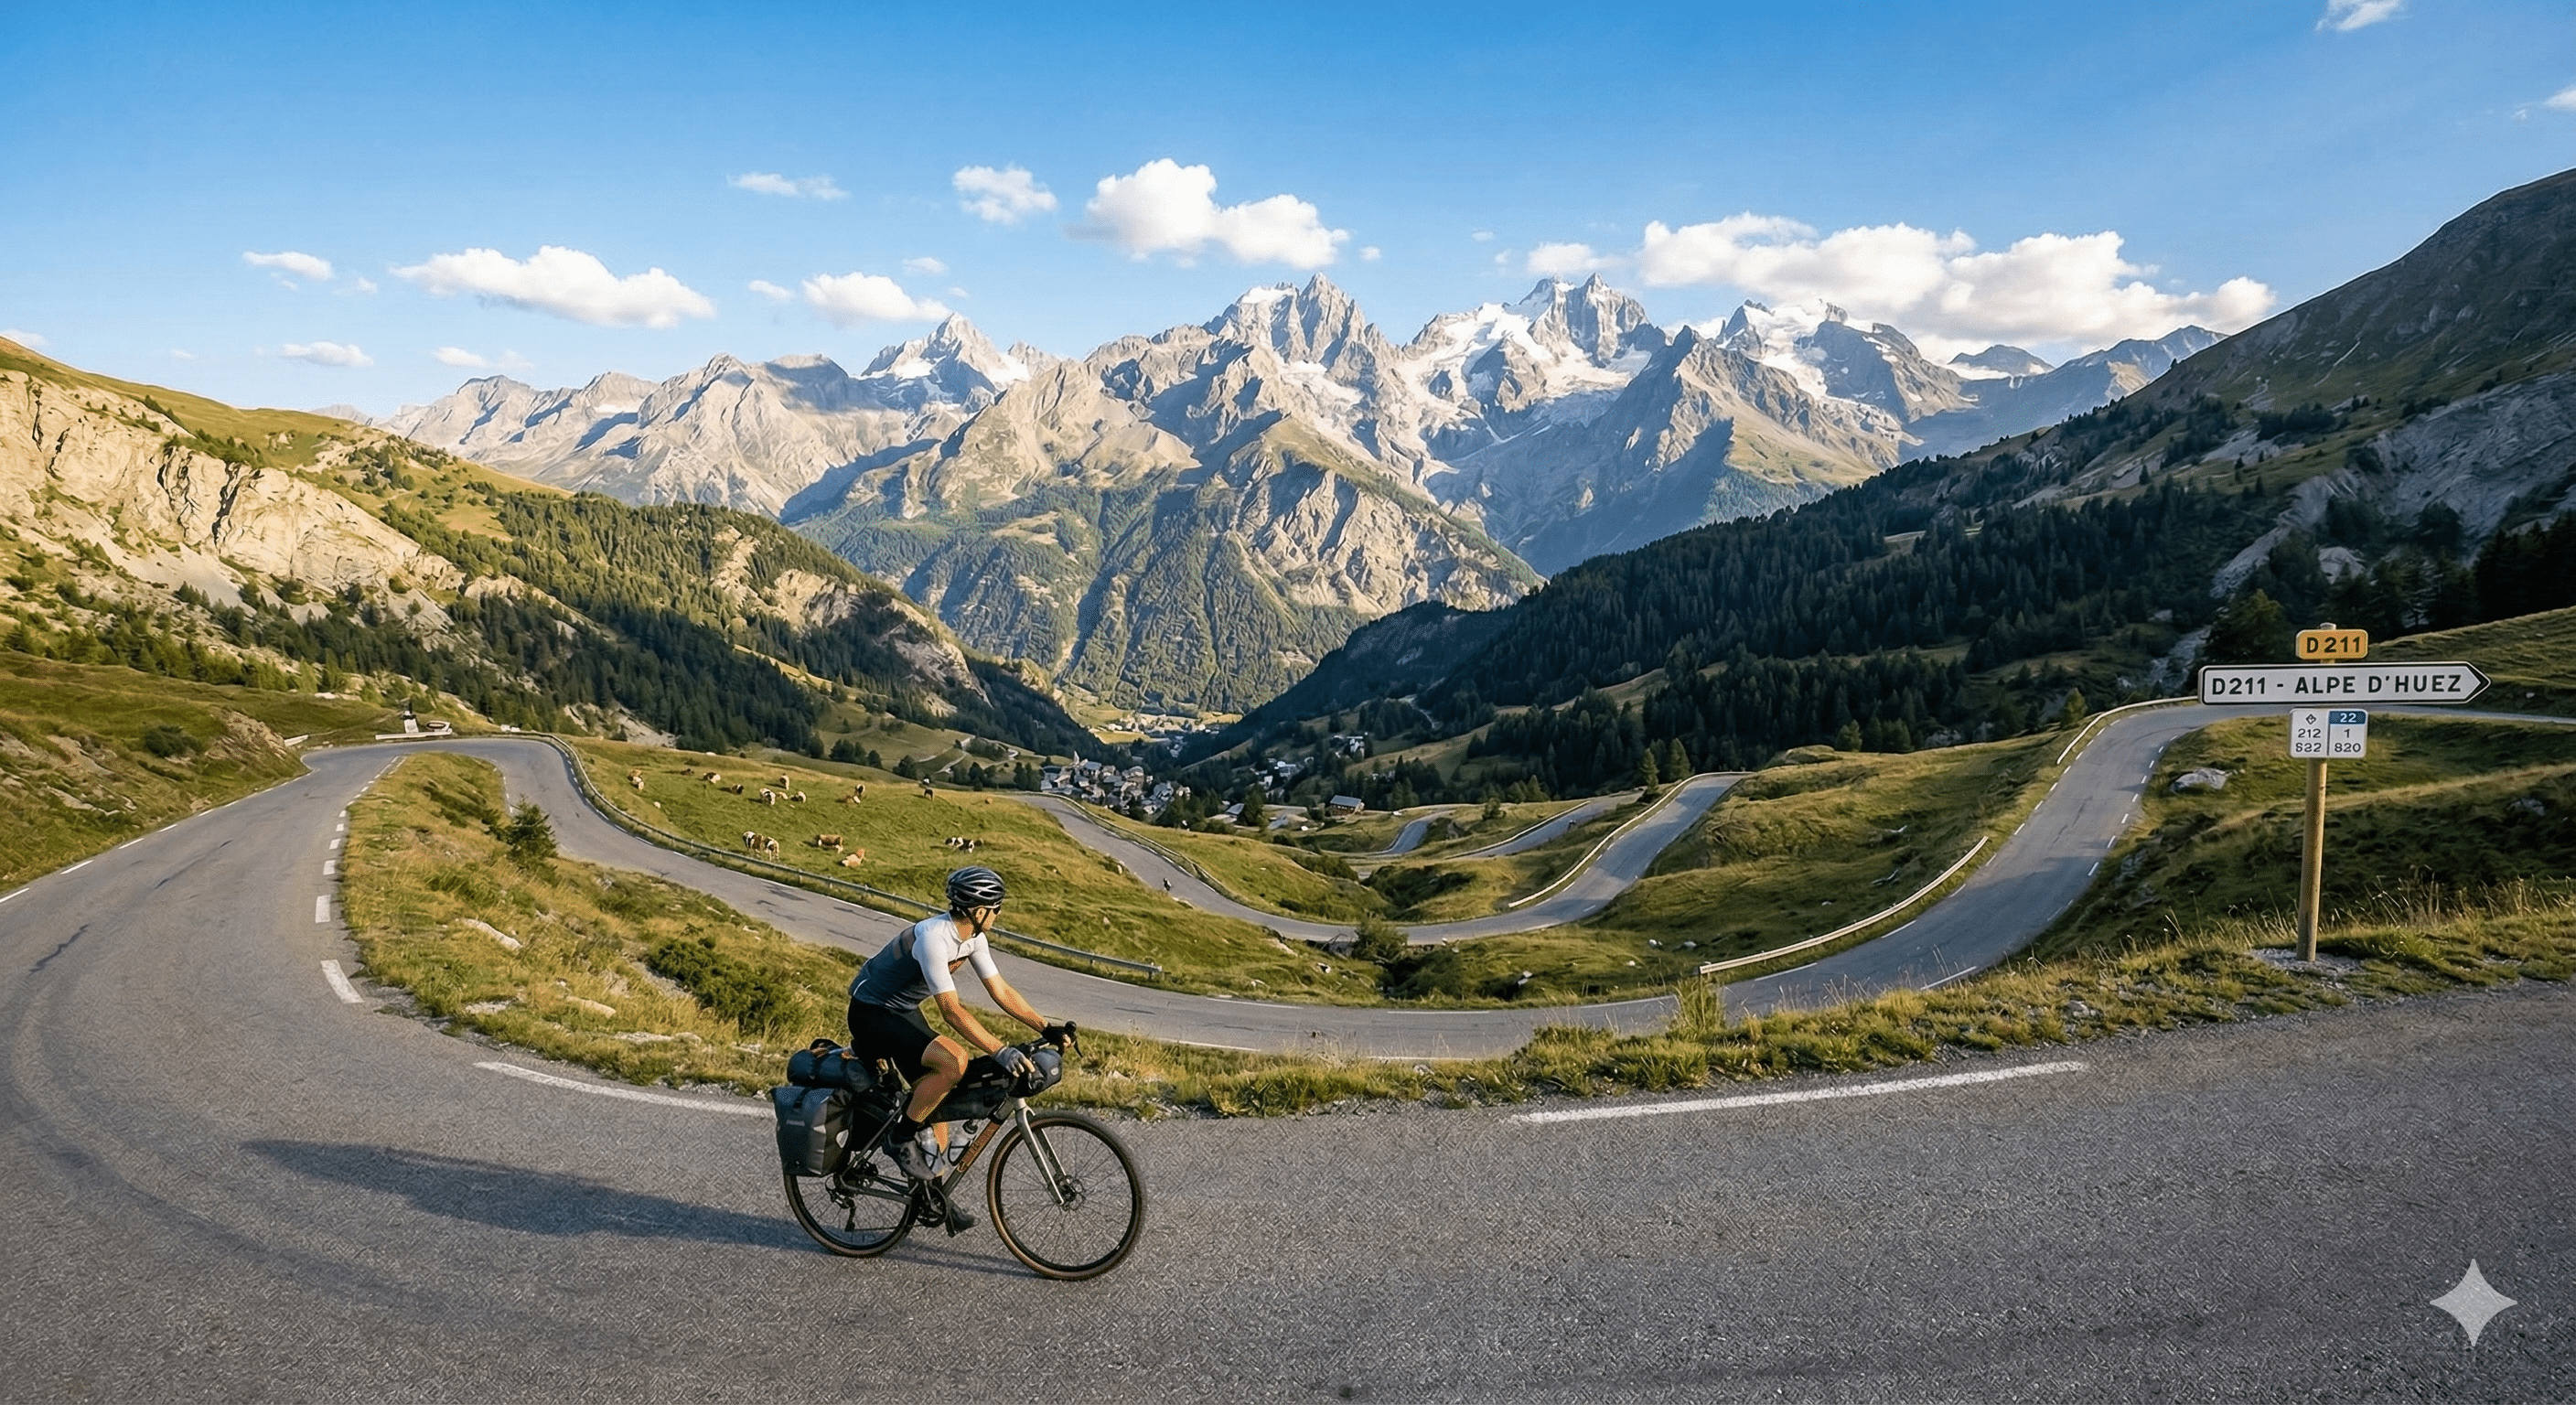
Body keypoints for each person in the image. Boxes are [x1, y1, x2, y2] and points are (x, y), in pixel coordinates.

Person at [845, 865, 1064, 1181]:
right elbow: (951, 1011)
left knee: (937, 1096)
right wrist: (1000, 1050)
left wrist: (1045, 1027)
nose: (998, 915)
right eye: (995, 909)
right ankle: (900, 1138)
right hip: (870, 1012)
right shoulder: (934, 939)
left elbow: (1000, 990)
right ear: (977, 911)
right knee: (954, 1061)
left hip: (900, 1010)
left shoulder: (974, 939)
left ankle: (928, 1188)